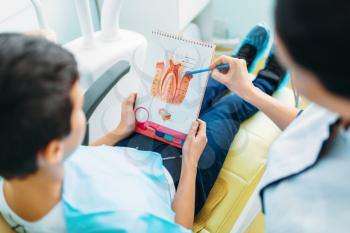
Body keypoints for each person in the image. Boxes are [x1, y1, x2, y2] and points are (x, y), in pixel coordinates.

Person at [0, 24, 286, 232]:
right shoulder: (122, 222)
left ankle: (236, 65)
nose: (81, 108)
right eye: (77, 108)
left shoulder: (18, 165)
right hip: (177, 178)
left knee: (195, 93)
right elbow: (181, 227)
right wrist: (190, 163)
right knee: (228, 110)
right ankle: (269, 77)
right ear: (52, 149)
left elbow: (80, 159)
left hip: (128, 150)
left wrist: (118, 132)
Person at [209, 0, 350, 232]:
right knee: (213, 92)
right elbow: (311, 124)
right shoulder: (337, 103)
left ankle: (267, 80)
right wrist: (248, 92)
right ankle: (266, 81)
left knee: (225, 109)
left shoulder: (304, 214)